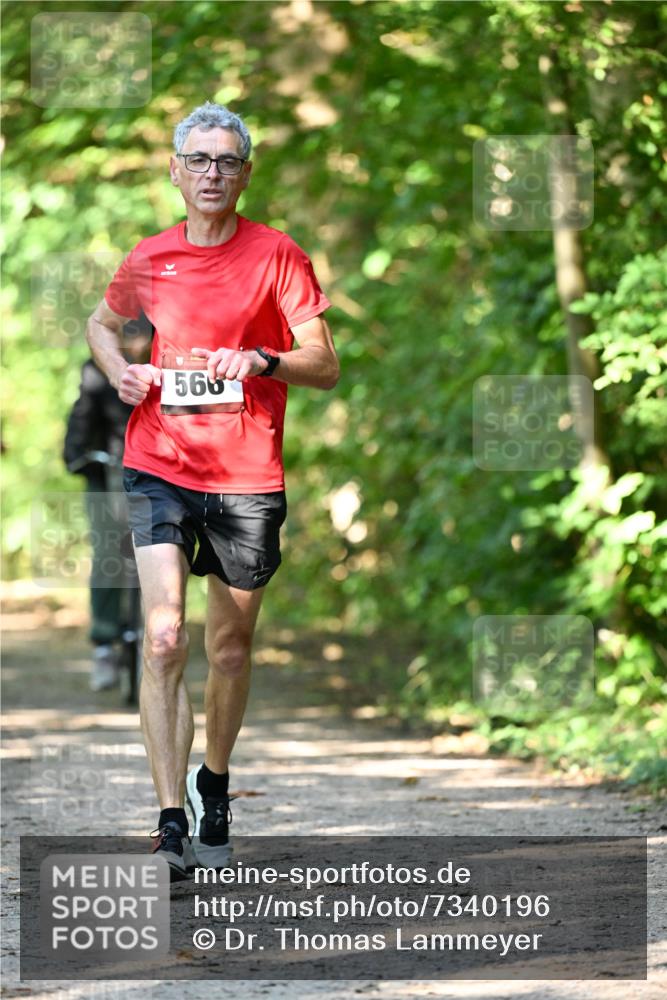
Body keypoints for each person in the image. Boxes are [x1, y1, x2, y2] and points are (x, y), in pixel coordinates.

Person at [85, 102, 339, 880]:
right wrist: (118, 369)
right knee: (165, 636)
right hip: (160, 458)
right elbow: (100, 323)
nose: (211, 174)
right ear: (175, 170)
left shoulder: (277, 256)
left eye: (226, 161)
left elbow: (323, 363)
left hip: (246, 474)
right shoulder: (150, 257)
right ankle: (168, 820)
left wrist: (262, 361)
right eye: (198, 160)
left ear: (245, 173)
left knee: (230, 646)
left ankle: (214, 782)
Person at [64, 316, 153, 691]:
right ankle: (103, 642)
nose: (135, 345)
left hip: (154, 474)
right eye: (127, 336)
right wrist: (76, 456)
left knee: (159, 551)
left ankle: (157, 633)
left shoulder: (167, 368)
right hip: (106, 472)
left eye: (143, 337)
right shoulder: (99, 370)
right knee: (107, 552)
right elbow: (81, 418)